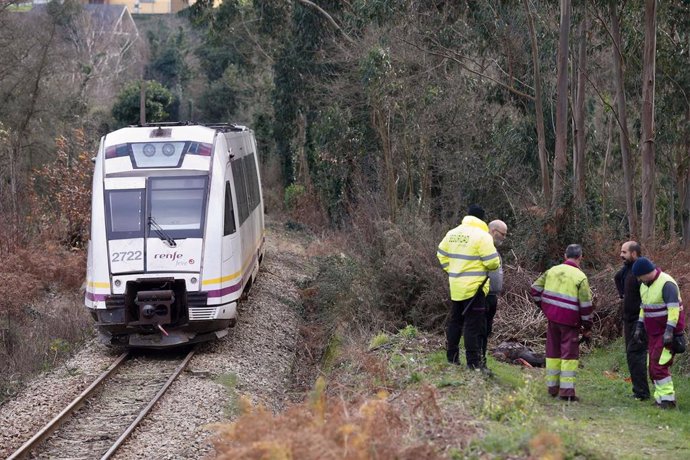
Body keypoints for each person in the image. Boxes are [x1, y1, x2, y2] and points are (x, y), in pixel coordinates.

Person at [437, 204, 501, 370]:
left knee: (455, 322)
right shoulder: (482, 236)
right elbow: (493, 262)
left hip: (456, 286)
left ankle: (452, 358)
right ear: (482, 219)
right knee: (473, 327)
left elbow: (441, 254)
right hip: (475, 288)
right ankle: (473, 363)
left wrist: (451, 269)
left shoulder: (452, 233)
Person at [530, 244, 593, 402]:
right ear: (580, 258)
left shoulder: (552, 270)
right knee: (569, 356)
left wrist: (545, 307)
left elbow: (535, 289)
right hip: (570, 323)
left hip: (553, 319)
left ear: (565, 255)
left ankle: (552, 387)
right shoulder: (580, 277)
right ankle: (567, 392)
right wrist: (587, 326)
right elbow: (586, 305)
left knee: (552, 353)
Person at [631, 257, 686, 409]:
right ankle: (661, 399)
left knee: (659, 366)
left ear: (646, 273)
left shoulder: (667, 284)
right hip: (654, 333)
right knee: (652, 367)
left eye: (639, 276)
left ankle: (668, 401)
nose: (638, 280)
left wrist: (669, 331)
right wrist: (639, 327)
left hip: (667, 334)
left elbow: (673, 310)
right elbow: (644, 307)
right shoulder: (645, 285)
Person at [614, 241, 650, 401]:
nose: (621, 255)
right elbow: (617, 277)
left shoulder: (642, 271)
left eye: (624, 252)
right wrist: (622, 295)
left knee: (636, 354)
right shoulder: (626, 270)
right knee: (631, 355)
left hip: (640, 320)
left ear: (634, 254)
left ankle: (642, 393)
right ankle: (638, 391)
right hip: (628, 320)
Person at [484, 220, 508, 364]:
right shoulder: (484, 247)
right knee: (481, 326)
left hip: (493, 295)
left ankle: (483, 353)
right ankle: (478, 355)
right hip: (484, 295)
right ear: (493, 231)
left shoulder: (494, 250)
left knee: (487, 327)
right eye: (502, 234)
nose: (504, 238)